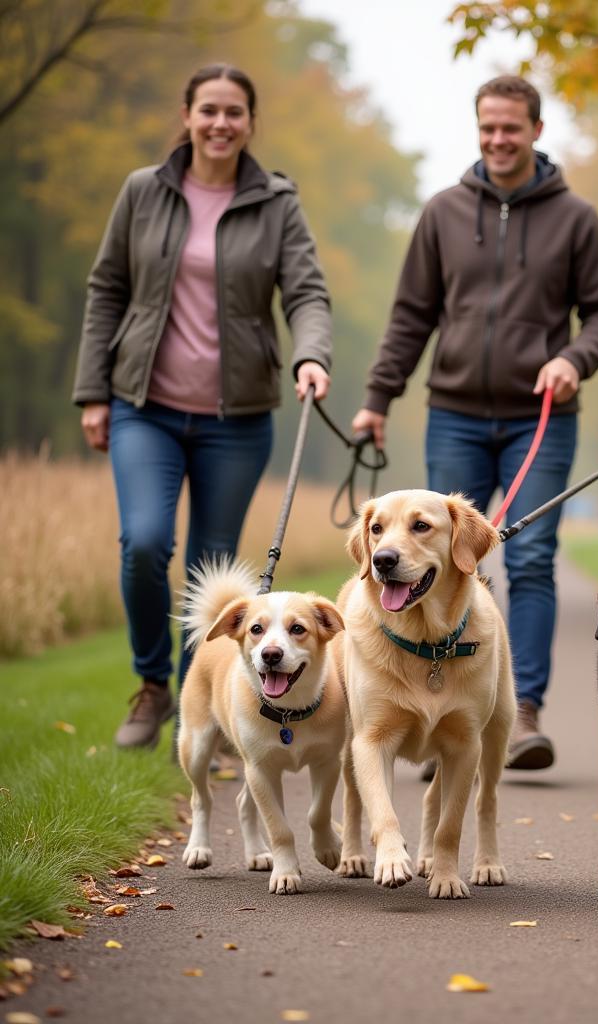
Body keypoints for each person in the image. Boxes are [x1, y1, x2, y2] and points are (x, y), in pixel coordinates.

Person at [351, 75, 598, 770]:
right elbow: (412, 315)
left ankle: (522, 709)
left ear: (536, 130)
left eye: (512, 127)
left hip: (542, 417)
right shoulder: (443, 212)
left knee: (530, 558)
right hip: (455, 416)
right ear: (478, 131)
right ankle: (430, 705)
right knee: (439, 560)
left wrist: (573, 359)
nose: (499, 139)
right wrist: (378, 397)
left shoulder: (576, 219)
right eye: (488, 127)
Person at [73, 64, 333, 749]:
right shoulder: (143, 192)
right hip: (144, 405)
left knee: (213, 569)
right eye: (209, 110)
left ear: (251, 122)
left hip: (238, 418)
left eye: (235, 112)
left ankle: (208, 718)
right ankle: (155, 684)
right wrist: (92, 391)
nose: (221, 123)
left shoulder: (277, 201)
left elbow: (306, 292)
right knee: (145, 544)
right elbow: (107, 291)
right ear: (187, 115)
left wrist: (312, 354)